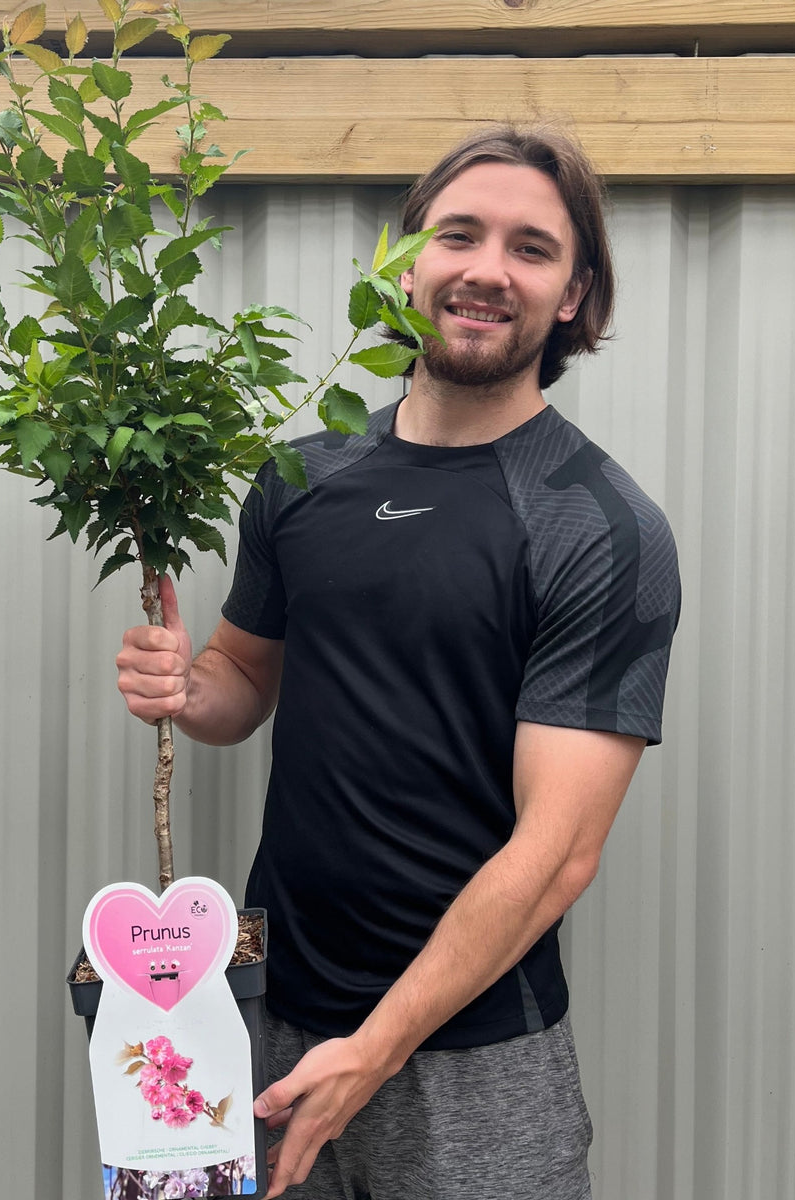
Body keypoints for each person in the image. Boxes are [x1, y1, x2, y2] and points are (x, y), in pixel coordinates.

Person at [116, 124, 681, 1200]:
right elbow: (244, 682)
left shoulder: (598, 525)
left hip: (475, 1071)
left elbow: (558, 855)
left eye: (531, 248)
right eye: (458, 235)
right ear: (405, 262)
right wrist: (189, 688)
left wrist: (374, 1050)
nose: (485, 269)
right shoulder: (302, 475)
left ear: (572, 295)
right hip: (276, 1015)